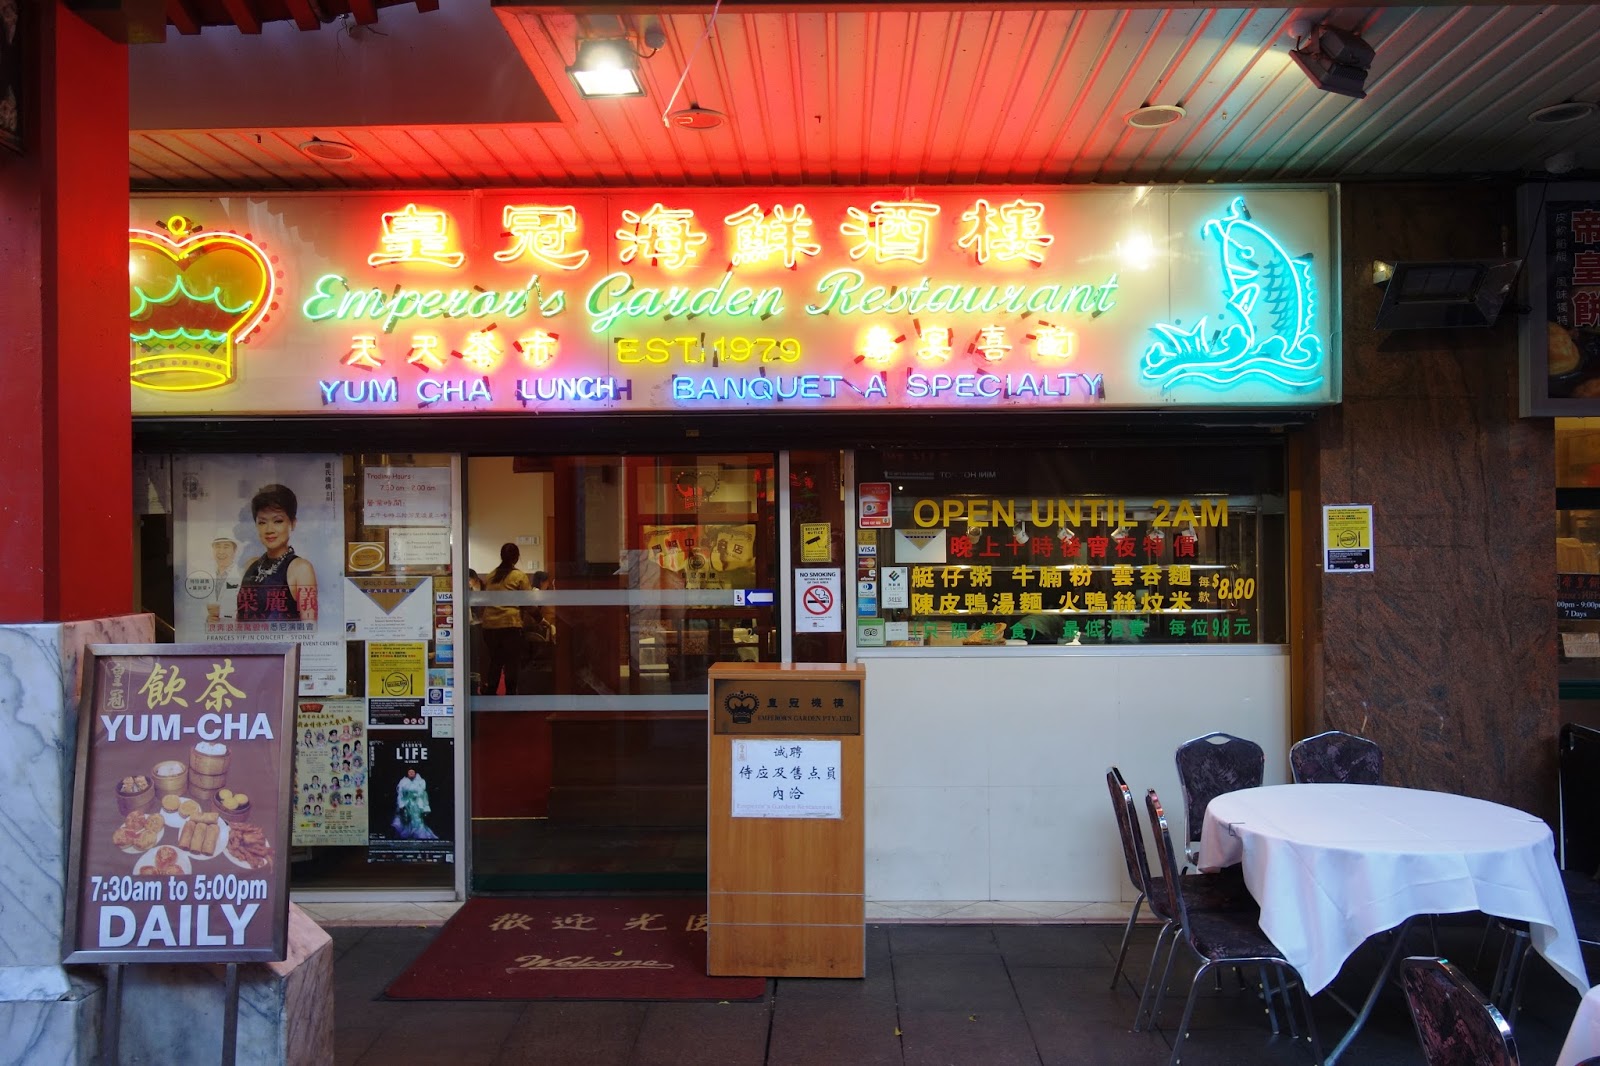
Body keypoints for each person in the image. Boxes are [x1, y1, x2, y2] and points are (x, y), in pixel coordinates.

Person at [236, 483, 318, 622]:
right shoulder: (250, 565)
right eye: (262, 522)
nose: (269, 529)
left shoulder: (301, 569)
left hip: (285, 644)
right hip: (245, 644)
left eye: (278, 521)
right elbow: (240, 621)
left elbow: (309, 628)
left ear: (292, 523)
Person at [479, 542, 531, 695]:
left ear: (501, 556)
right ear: (516, 557)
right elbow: (528, 602)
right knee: (511, 663)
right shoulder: (519, 576)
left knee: (495, 660)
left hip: (489, 625)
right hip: (510, 624)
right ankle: (510, 696)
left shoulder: (491, 576)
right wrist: (540, 619)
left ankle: (491, 693)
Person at [518, 570, 558, 692]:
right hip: (534, 629)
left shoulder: (534, 592)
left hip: (527, 628)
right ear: (542, 582)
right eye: (548, 582)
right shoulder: (538, 594)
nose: (549, 585)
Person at [207, 532, 244, 624]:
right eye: (217, 546)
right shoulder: (206, 575)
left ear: (234, 550)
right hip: (208, 634)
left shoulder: (243, 575)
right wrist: (206, 618)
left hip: (234, 633)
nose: (221, 551)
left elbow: (250, 609)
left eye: (226, 547)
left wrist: (221, 613)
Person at [392, 767, 438, 840]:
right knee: (405, 821)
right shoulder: (403, 782)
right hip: (406, 804)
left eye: (412, 772)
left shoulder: (421, 781)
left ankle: (420, 836)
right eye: (409, 772)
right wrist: (401, 805)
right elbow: (400, 795)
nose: (411, 773)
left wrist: (426, 808)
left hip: (417, 805)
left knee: (417, 821)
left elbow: (424, 796)